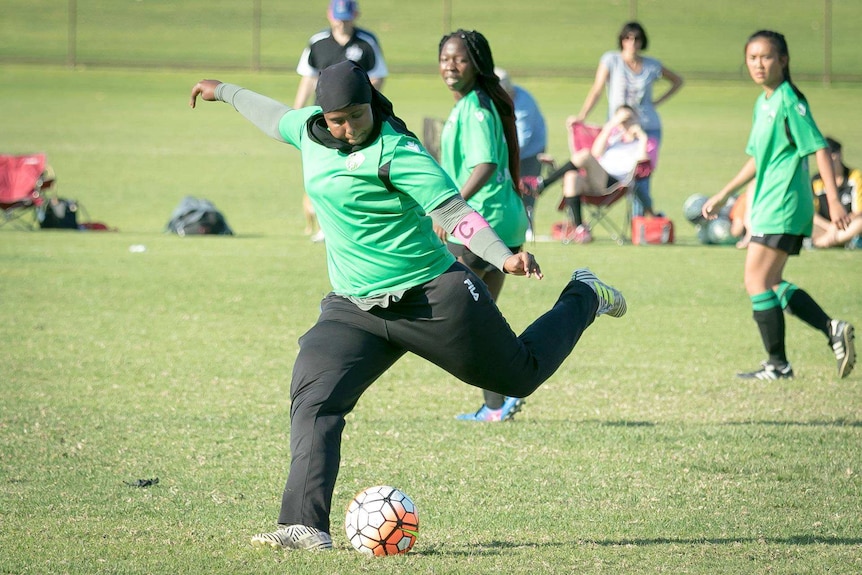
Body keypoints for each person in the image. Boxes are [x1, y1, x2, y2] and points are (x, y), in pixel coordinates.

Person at [189, 61, 627, 551]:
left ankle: (584, 295)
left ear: (372, 105)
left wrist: (503, 258)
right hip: (354, 308)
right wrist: (222, 90)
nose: (349, 128)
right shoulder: (309, 132)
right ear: (323, 115)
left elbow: (454, 214)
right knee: (314, 398)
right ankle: (304, 527)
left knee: (519, 376)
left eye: (358, 115)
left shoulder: (397, 151)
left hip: (430, 297)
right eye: (338, 119)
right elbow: (273, 116)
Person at [702, 30, 856, 380]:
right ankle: (830, 328)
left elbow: (819, 147)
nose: (758, 64)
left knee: (756, 281)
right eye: (752, 57)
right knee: (769, 282)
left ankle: (778, 364)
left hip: (784, 204)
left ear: (783, 61)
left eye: (766, 57)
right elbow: (759, 158)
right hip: (769, 203)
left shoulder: (789, 101)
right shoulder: (765, 102)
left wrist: (833, 202)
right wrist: (725, 193)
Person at [437, 30, 531, 423]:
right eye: (444, 58)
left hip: (480, 223)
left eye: (459, 59)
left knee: (456, 316)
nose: (450, 66)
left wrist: (449, 207)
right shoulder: (482, 103)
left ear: (476, 63)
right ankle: (498, 404)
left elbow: (485, 164)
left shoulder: (476, 107)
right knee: (483, 318)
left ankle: (506, 393)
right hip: (503, 220)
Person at [294, 0, 388, 242]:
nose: (342, 22)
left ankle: (359, 222)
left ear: (355, 15)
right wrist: (296, 111)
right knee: (325, 170)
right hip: (324, 120)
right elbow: (308, 78)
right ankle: (327, 224)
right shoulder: (318, 43)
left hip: (358, 121)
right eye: (338, 17)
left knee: (357, 168)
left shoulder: (367, 41)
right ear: (329, 15)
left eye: (346, 17)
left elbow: (377, 77)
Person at [573, 21, 683, 219]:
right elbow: (597, 89)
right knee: (616, 170)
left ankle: (638, 222)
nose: (631, 42)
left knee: (641, 177)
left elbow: (677, 81)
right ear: (621, 40)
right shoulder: (611, 60)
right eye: (627, 38)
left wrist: (656, 102)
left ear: (642, 42)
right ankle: (644, 219)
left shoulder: (651, 65)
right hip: (618, 127)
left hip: (647, 126)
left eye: (636, 38)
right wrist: (582, 116)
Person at [524, 106, 655, 244]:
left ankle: (544, 183)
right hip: (596, 178)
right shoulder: (614, 137)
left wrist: (641, 136)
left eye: (629, 119)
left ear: (637, 120)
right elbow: (597, 152)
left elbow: (643, 162)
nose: (625, 123)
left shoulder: (645, 141)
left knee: (585, 155)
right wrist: (612, 125)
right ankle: (580, 228)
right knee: (571, 177)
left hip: (616, 184)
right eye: (622, 120)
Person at [496, 67, 548, 241]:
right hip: (505, 148)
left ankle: (528, 225)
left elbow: (522, 139)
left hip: (531, 151)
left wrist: (500, 155)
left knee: (528, 188)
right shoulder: (493, 100)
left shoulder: (523, 102)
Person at [811, 137, 862, 248]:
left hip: (848, 225)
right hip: (825, 227)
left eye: (832, 154)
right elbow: (812, 214)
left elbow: (858, 212)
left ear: (840, 154)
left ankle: (821, 243)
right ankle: (843, 241)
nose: (830, 159)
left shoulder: (854, 177)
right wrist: (830, 227)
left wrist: (837, 225)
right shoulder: (815, 181)